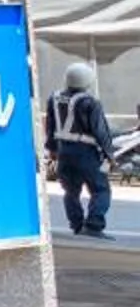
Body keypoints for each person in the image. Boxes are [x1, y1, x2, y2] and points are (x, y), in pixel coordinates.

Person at [50, 60, 115, 237]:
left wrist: (53, 151)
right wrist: (110, 155)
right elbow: (101, 131)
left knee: (71, 191)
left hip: (64, 152)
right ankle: (93, 225)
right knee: (100, 189)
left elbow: (51, 128)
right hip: (86, 153)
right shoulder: (90, 103)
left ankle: (77, 225)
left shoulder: (54, 99)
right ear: (87, 81)